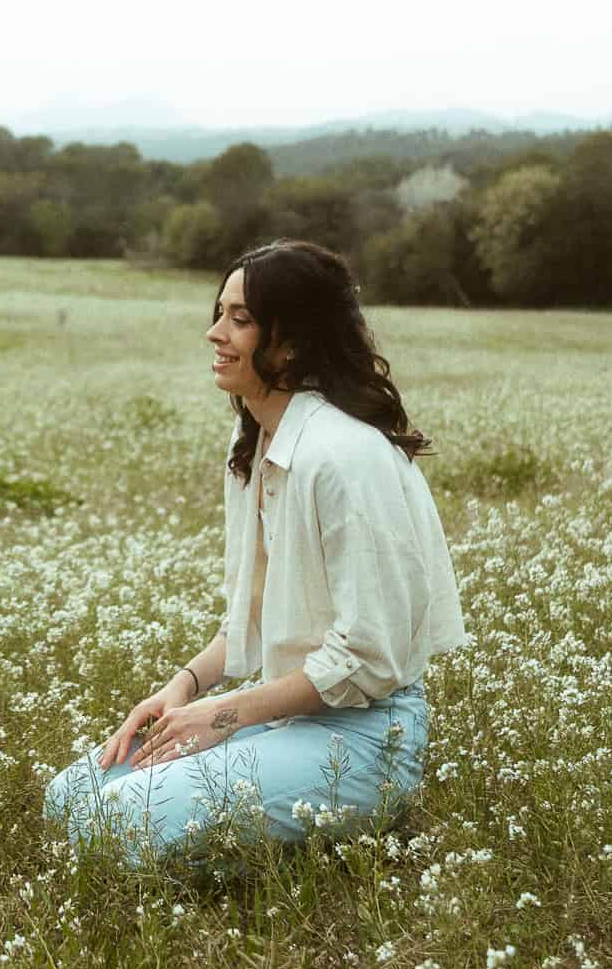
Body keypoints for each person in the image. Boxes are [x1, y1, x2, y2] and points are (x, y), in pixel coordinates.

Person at [44, 239, 463, 869]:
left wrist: (225, 715)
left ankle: (342, 836)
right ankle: (285, 829)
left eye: (239, 319)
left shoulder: (344, 456)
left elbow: (367, 655)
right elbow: (257, 615)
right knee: (69, 798)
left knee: (119, 821)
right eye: (219, 312)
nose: (214, 332)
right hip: (282, 719)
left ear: (289, 342)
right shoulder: (255, 448)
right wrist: (180, 691)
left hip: (366, 735)